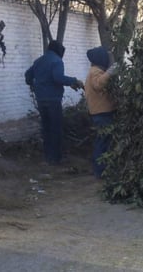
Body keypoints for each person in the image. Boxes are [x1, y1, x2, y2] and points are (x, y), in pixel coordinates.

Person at [25, 40, 83, 165]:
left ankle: (47, 157)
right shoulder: (57, 61)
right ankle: (56, 158)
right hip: (53, 100)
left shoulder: (39, 61)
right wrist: (74, 80)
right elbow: (58, 78)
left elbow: (27, 76)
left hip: (41, 99)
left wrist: (34, 85)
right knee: (55, 128)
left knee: (46, 128)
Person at [84, 46, 118, 178]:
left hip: (101, 112)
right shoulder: (95, 72)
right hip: (102, 113)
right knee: (102, 141)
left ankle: (102, 168)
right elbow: (98, 84)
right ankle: (100, 170)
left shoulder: (95, 71)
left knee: (104, 141)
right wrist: (110, 73)